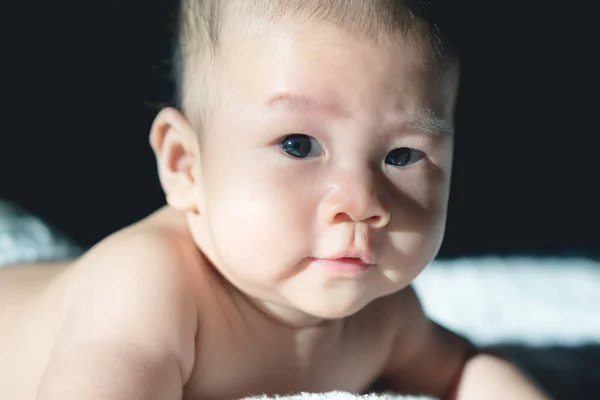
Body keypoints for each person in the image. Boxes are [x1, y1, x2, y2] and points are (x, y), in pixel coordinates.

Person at [0, 1, 550, 399]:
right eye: (298, 145)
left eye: (402, 155)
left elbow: (463, 369)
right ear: (186, 165)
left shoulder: (385, 316)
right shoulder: (148, 288)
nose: (360, 202)